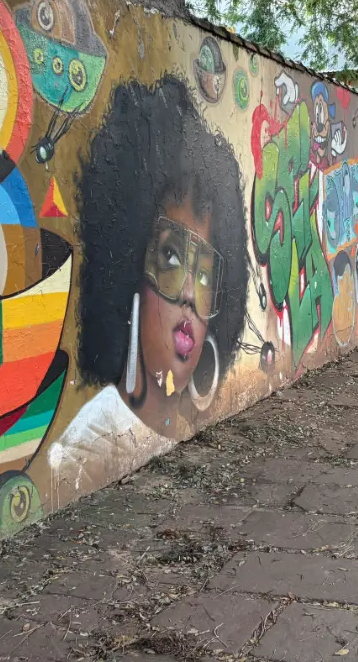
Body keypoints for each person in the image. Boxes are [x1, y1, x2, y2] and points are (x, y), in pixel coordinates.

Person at [47, 75, 249, 499]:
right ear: (127, 274)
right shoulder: (89, 447)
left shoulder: (186, 427)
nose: (191, 295)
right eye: (171, 258)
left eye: (207, 272)